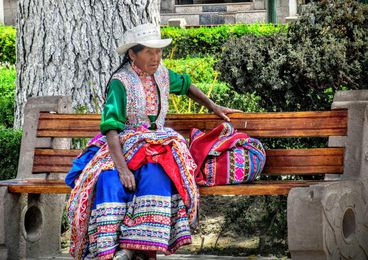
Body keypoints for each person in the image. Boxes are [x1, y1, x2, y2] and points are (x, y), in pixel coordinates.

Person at [65, 23, 241, 260]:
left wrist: (213, 106)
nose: (156, 57)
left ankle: (139, 247)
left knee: (156, 174)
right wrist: (122, 168)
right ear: (132, 54)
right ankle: (110, 249)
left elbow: (187, 86)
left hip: (156, 144)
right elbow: (110, 128)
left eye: (158, 51)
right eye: (149, 52)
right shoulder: (121, 82)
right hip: (123, 145)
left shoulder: (163, 75)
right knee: (110, 180)